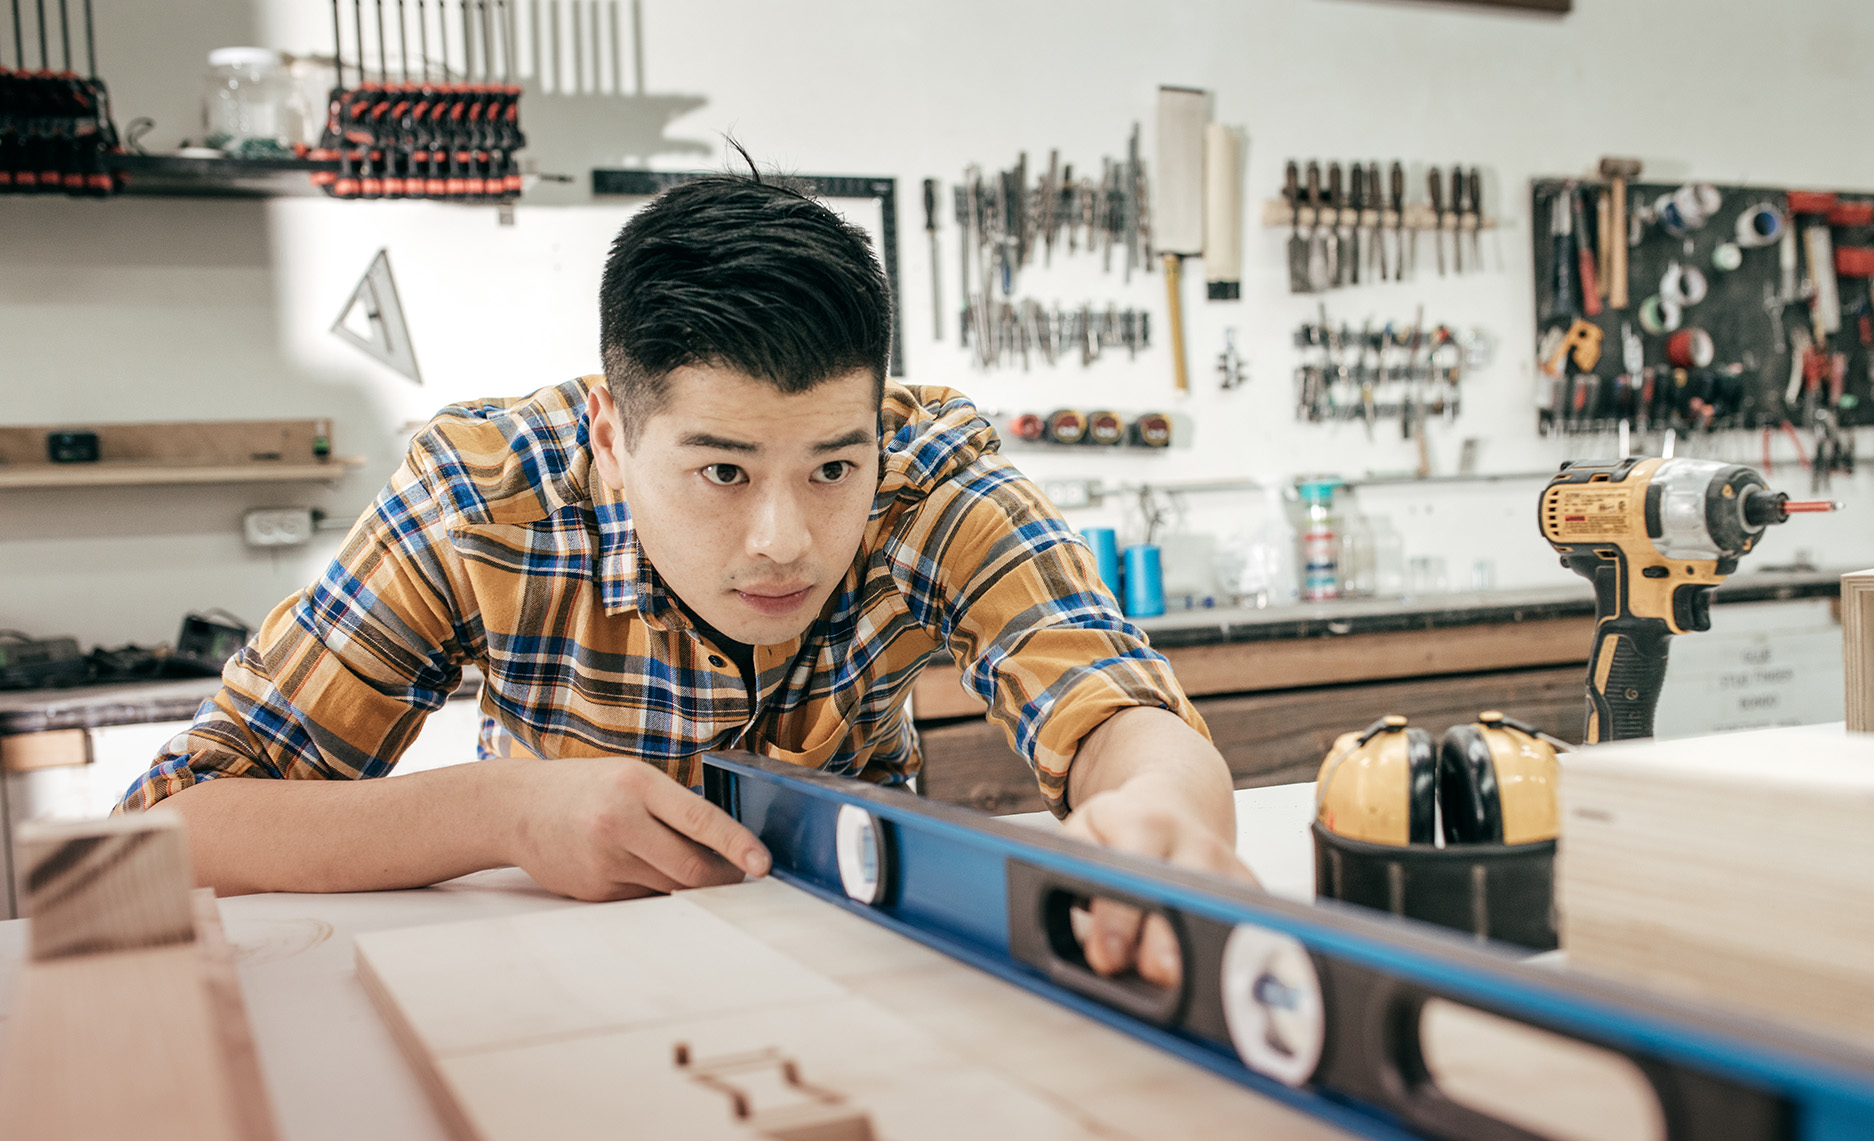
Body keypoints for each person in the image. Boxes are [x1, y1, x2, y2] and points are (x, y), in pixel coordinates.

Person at [122, 171, 1245, 983]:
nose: (782, 539)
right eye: (721, 468)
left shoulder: (926, 473)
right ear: (611, 433)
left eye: (830, 467)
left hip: (859, 964)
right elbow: (176, 826)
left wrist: (1155, 814)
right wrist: (501, 811)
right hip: (552, 985)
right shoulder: (482, 498)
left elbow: (1118, 707)